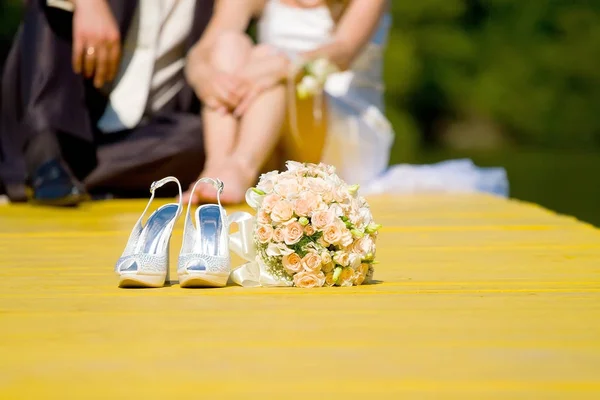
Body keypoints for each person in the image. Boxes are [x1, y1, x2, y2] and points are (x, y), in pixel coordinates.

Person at [0, 0, 214, 206]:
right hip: (54, 114)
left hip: (139, 136)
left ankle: (39, 174)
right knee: (53, 6)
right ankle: (43, 154)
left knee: (201, 138)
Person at [182, 0, 394, 205]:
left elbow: (343, 50)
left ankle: (241, 165)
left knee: (272, 64)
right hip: (268, 124)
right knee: (228, 43)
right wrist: (207, 77)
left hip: (344, 127)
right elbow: (202, 51)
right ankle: (218, 165)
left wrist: (284, 64)